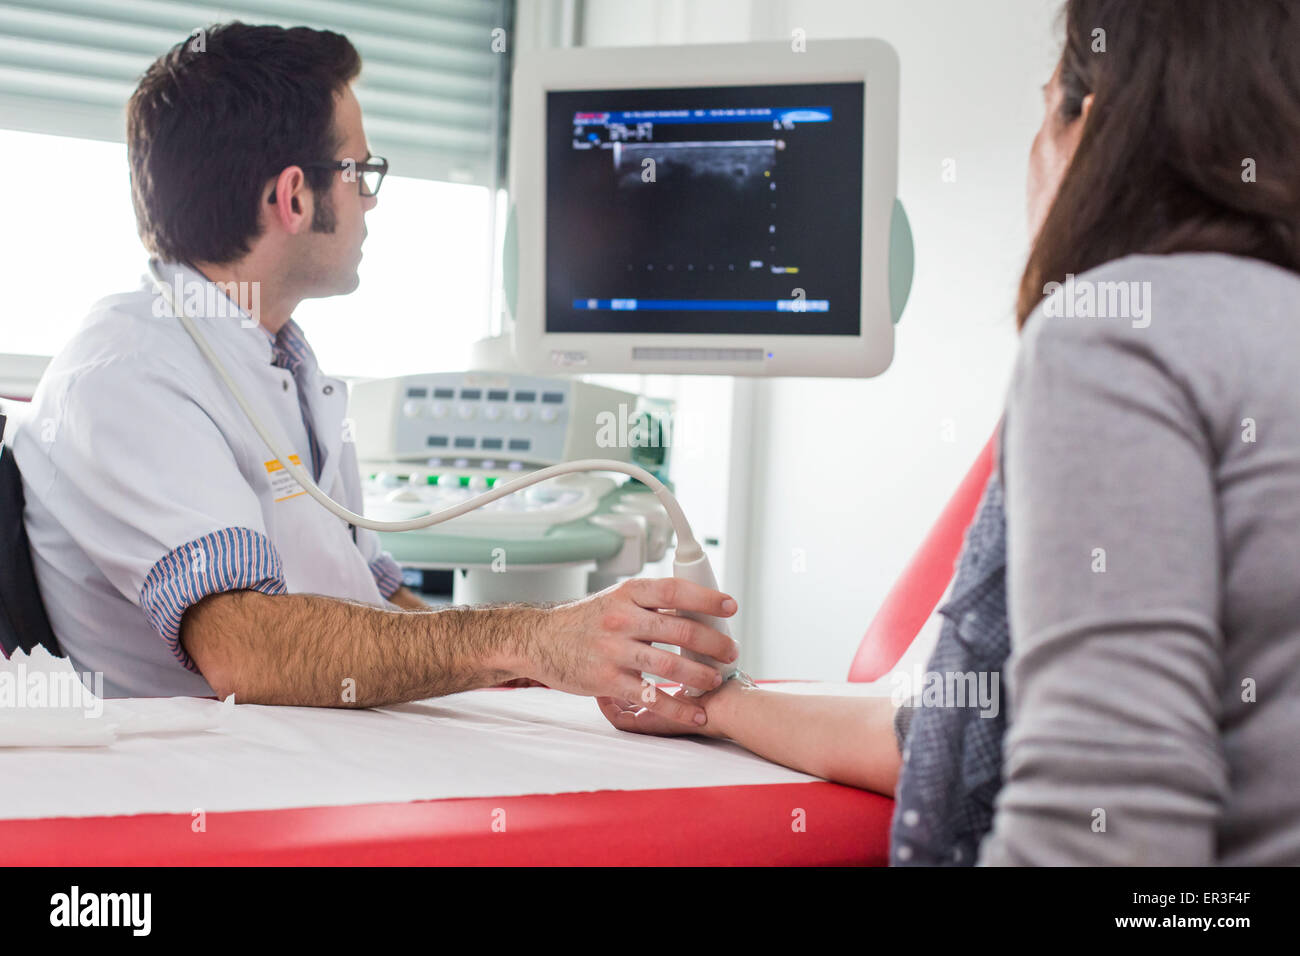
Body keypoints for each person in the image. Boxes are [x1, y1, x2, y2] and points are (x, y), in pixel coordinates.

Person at [601, 0, 1300, 866]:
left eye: (1047, 104)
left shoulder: (1118, 336)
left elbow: (1109, 831)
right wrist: (714, 703)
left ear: (1094, 122)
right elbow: (945, 727)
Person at [11, 22, 737, 718]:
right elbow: (247, 651)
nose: (372, 198)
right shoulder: (128, 372)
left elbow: (375, 602)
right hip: (212, 778)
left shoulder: (278, 356)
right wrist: (529, 638)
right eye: (360, 173)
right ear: (294, 196)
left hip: (310, 742)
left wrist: (552, 663)